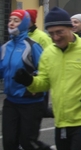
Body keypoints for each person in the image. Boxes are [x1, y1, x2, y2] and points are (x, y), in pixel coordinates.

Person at [13, 6, 81, 149]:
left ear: (70, 28)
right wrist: (29, 81)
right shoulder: (49, 53)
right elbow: (45, 83)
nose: (56, 37)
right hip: (61, 120)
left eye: (60, 32)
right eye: (51, 33)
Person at [0, 10, 51, 150]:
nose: (11, 23)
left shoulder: (32, 46)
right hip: (11, 102)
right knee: (9, 143)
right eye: (10, 19)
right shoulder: (5, 47)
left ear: (23, 23)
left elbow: (45, 71)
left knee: (28, 143)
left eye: (16, 20)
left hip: (31, 103)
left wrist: (34, 82)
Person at [26, 9, 54, 118]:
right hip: (26, 79)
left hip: (40, 76)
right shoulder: (20, 36)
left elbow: (50, 56)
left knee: (40, 111)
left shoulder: (42, 37)